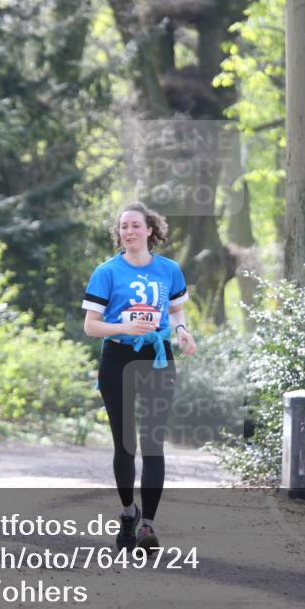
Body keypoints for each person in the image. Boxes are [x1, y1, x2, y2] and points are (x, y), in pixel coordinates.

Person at [82, 202, 197, 552]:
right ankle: (128, 512)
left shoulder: (169, 269)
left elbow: (175, 308)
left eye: (135, 226)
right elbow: (90, 327)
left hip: (157, 356)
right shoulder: (106, 271)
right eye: (123, 227)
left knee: (153, 443)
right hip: (117, 356)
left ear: (150, 230)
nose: (129, 232)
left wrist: (181, 331)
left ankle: (148, 524)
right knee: (125, 444)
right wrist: (125, 327)